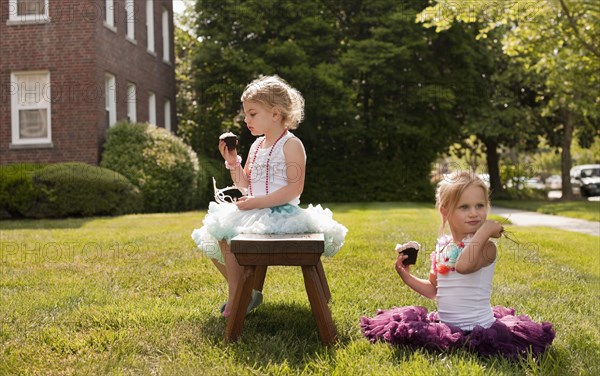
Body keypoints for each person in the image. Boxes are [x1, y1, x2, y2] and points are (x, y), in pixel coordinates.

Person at [192, 75, 347, 318]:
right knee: (214, 236)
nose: (246, 120)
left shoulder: (291, 144)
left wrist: (257, 203)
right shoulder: (256, 146)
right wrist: (233, 163)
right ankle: (241, 292)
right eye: (246, 114)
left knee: (228, 237)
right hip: (256, 210)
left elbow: (294, 189)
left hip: (281, 214)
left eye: (252, 114)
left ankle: (237, 299)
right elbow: (245, 185)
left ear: (275, 114)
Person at [360, 172, 555, 359]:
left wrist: (485, 230)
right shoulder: (443, 248)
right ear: (445, 211)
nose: (474, 213)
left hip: (479, 328)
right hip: (445, 325)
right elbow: (432, 291)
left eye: (480, 206)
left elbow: (463, 266)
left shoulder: (486, 247)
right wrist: (406, 276)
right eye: (464, 207)